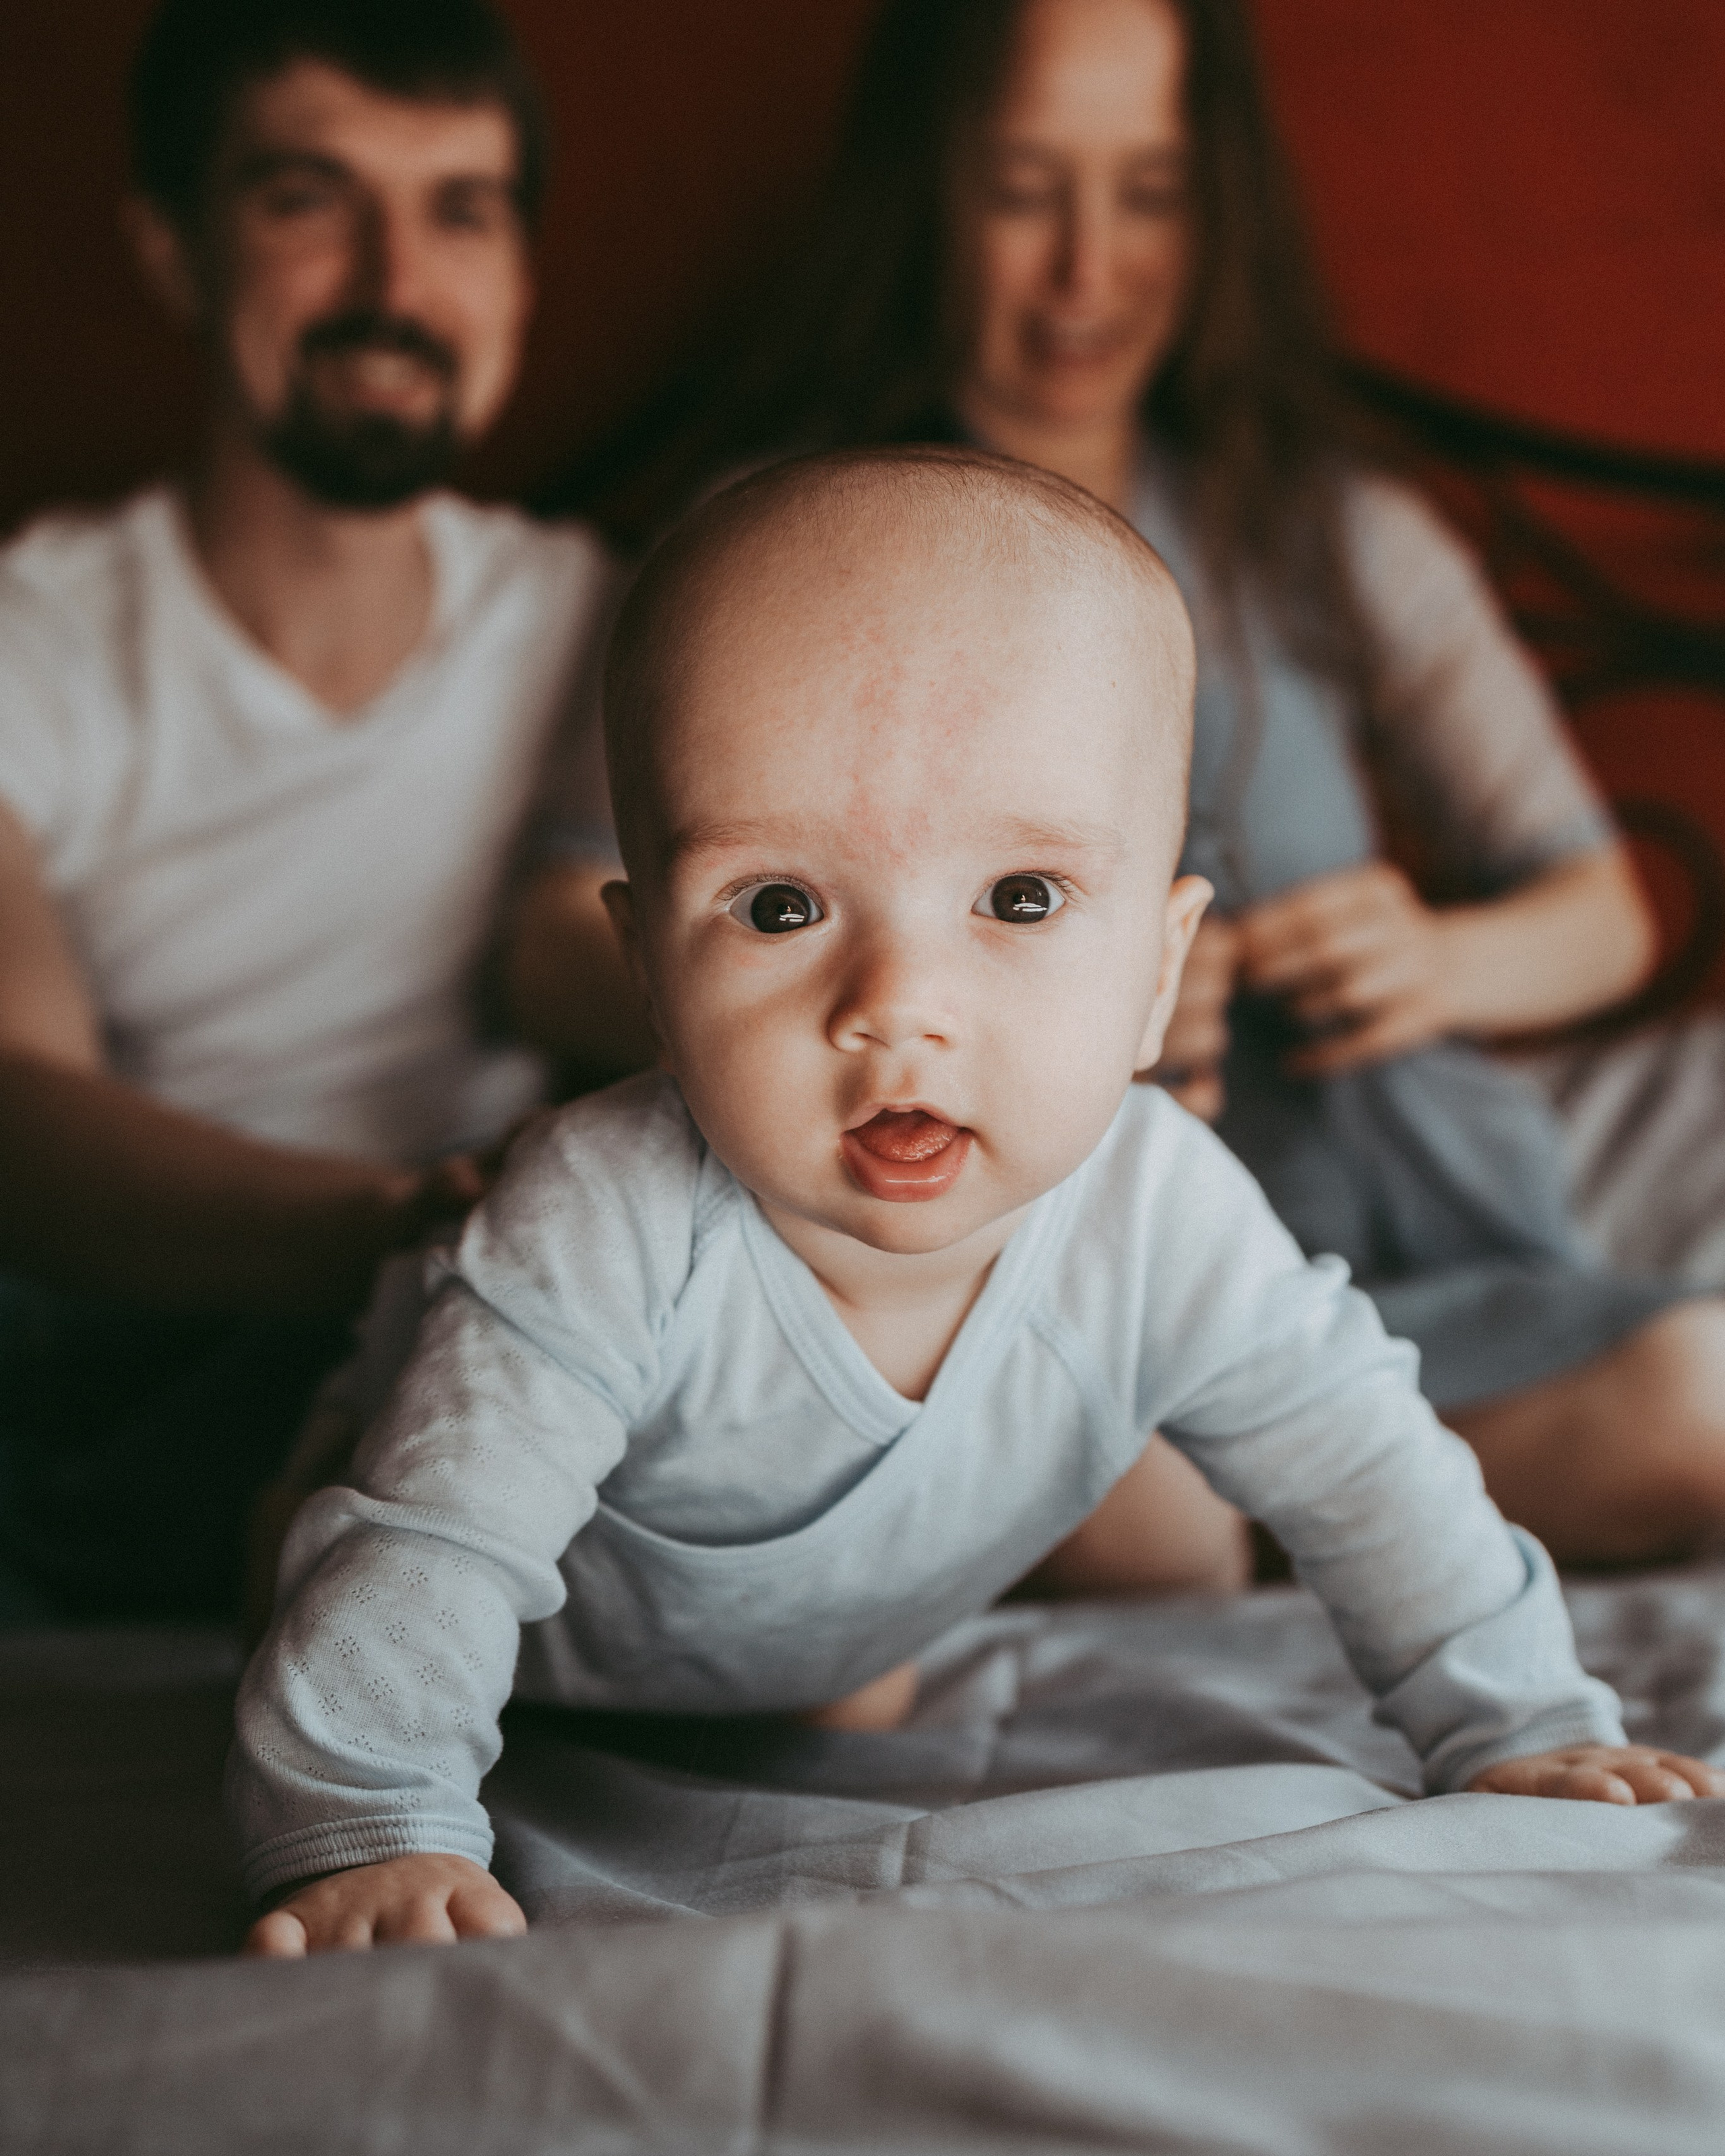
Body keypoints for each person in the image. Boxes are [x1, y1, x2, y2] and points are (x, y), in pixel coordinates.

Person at [228, 451, 1712, 1958]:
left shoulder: (1163, 1211)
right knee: (339, 1554)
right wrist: (373, 1818)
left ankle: (797, 1654)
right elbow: (440, 1549)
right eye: (778, 907)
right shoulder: (606, 1215)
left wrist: (1516, 1725)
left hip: (802, 1628)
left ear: (1154, 970)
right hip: (509, 1603)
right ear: (649, 978)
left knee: (861, 1675)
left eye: (1017, 900)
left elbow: (1371, 1474)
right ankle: (292, 1547)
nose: (899, 1007)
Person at [596, 0, 1725, 1575]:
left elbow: (1603, 909)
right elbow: (569, 931)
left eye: (1146, 192)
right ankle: (1293, 1521)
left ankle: (1283, 1507)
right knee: (1130, 1508)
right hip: (1021, 1274)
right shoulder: (784, 554)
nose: (1086, 270)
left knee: (1699, 1399)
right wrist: (1035, 1011)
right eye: (1020, 190)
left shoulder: (1327, 532)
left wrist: (1435, 956)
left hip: (1397, 1256)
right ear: (925, 191)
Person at [0, 0, 645, 1624]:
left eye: (459, 210)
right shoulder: (39, 637)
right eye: (308, 199)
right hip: (149, 1349)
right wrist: (388, 1235)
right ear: (171, 250)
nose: (392, 284)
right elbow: (14, 1116)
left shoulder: (603, 622)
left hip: (514, 1309)